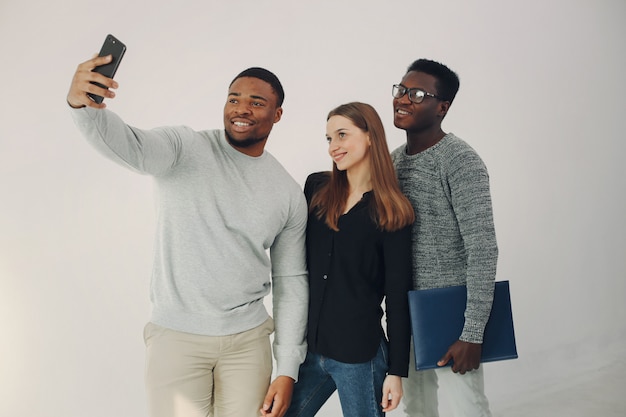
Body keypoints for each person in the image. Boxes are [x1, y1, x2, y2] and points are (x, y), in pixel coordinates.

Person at [66, 53, 309, 417]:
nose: (241, 109)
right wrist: (82, 105)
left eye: (256, 102)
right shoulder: (185, 147)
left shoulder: (287, 192)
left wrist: (288, 367)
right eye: (234, 98)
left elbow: (290, 282)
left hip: (248, 342)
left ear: (277, 114)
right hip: (177, 338)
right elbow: (130, 146)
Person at [284, 102, 415, 417]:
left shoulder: (392, 211)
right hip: (311, 351)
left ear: (370, 136)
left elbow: (398, 297)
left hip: (360, 356)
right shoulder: (316, 188)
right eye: (329, 138)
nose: (334, 146)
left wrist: (396, 372)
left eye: (342, 135)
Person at [390, 58, 499, 417]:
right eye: (402, 90)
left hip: (450, 314)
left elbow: (482, 249)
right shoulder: (392, 163)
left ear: (442, 107)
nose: (404, 99)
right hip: (404, 313)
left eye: (417, 93)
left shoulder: (459, 160)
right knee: (416, 409)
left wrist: (472, 333)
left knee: (467, 408)